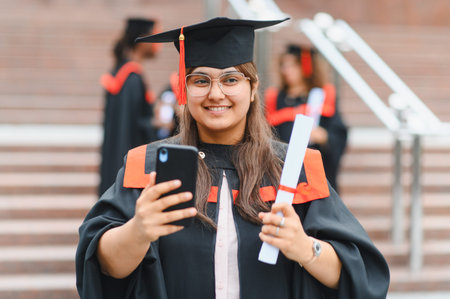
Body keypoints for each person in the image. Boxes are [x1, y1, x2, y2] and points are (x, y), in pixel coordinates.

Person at [76, 17, 389, 299]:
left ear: (252, 89)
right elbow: (102, 268)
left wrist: (306, 248)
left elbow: (359, 275)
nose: (215, 94)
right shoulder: (147, 165)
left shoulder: (294, 167)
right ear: (184, 90)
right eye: (200, 80)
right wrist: (138, 230)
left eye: (230, 80)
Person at [265, 44, 348, 193]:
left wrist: (324, 136)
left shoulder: (321, 97)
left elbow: (339, 132)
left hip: (313, 172)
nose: (287, 70)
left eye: (293, 65)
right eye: (284, 65)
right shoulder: (274, 98)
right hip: (280, 171)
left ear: (306, 67)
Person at [98, 18, 161, 197]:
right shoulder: (131, 78)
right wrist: (156, 124)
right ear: (142, 40)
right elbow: (132, 127)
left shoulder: (122, 71)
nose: (158, 45)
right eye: (154, 37)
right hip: (125, 160)